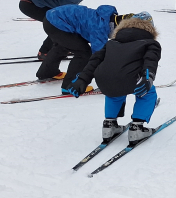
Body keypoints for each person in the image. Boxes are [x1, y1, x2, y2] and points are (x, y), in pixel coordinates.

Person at [62, 12, 160, 146]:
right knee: (147, 94)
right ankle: (137, 127)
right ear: (150, 27)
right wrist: (148, 78)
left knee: (114, 93)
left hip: (104, 80)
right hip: (130, 79)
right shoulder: (150, 43)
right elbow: (150, 61)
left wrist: (83, 79)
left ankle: (109, 125)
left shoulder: (111, 43)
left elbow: (94, 61)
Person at [2, 0, 104, 59]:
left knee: (62, 24)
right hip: (30, 4)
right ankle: (44, 52)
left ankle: (61, 48)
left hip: (39, 3)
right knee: (56, 25)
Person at [37, 4, 132, 94]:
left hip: (52, 18)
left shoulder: (105, 17)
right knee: (84, 53)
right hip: (57, 22)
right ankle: (70, 86)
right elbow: (98, 57)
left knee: (64, 45)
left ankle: (47, 72)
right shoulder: (100, 29)